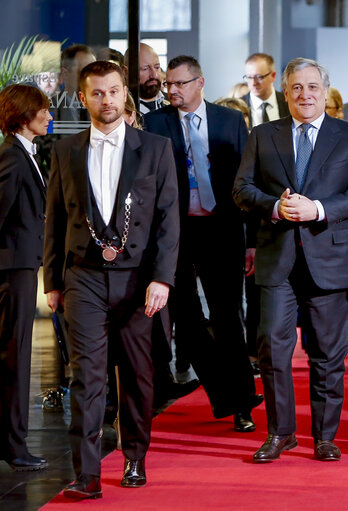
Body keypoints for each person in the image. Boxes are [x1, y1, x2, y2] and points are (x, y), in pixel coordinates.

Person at [43, 60, 180, 498]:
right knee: (87, 375)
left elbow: (168, 220)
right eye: (97, 93)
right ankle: (86, 474)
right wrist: (52, 281)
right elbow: (55, 220)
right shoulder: (64, 151)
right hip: (82, 276)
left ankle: (135, 457)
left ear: (126, 94)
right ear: (82, 99)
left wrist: (163, 278)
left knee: (139, 373)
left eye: (114, 91)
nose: (107, 100)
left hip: (139, 279)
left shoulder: (155, 148)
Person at [233, 57, 348, 462]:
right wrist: (275, 207)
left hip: (328, 260)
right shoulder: (263, 135)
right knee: (273, 351)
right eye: (297, 87)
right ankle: (281, 434)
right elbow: (241, 190)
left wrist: (319, 209)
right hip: (277, 261)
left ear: (325, 92)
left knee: (328, 355)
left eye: (312, 87)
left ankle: (325, 436)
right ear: (285, 91)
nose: (305, 94)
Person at [143, 55, 261, 433]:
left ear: (200, 82)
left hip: (222, 229)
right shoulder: (154, 124)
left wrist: (251, 240)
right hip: (174, 233)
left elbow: (249, 181)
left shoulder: (230, 121)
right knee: (185, 320)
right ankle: (224, 392)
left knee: (228, 319)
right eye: (169, 85)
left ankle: (242, 404)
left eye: (179, 84)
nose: (172, 90)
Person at [0, 84, 52, 472]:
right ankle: (13, 445)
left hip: (20, 267)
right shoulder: (13, 158)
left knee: (16, 356)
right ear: (23, 115)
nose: (49, 116)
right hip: (12, 270)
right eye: (43, 111)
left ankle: (13, 442)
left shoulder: (24, 154)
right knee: (14, 357)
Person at [241, 53, 289, 128]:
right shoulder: (239, 107)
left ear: (273, 76)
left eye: (259, 77)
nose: (253, 83)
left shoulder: (288, 103)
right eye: (249, 77)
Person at [126, 43, 168, 114]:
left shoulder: (174, 104)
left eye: (157, 67)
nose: (154, 75)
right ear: (126, 72)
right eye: (145, 69)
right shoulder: (120, 108)